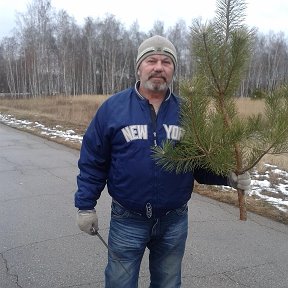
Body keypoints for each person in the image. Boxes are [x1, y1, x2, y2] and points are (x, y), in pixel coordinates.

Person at [74, 35, 251, 288]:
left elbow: (200, 164)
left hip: (173, 220)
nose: (158, 66)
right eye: (151, 60)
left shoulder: (189, 113)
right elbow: (93, 162)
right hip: (127, 218)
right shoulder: (112, 109)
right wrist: (85, 206)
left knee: (168, 283)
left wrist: (229, 177)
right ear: (139, 67)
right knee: (119, 283)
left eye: (166, 62)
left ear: (173, 70)